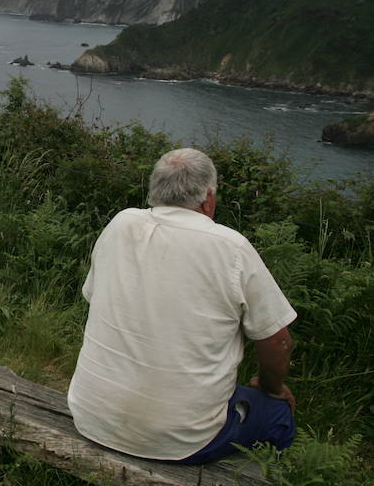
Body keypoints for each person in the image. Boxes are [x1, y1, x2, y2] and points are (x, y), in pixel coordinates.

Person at [67, 148, 297, 464]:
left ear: (155, 191)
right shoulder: (231, 248)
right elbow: (277, 340)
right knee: (276, 413)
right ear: (208, 199)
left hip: (91, 415)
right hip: (182, 441)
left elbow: (96, 297)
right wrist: (271, 387)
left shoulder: (120, 225)